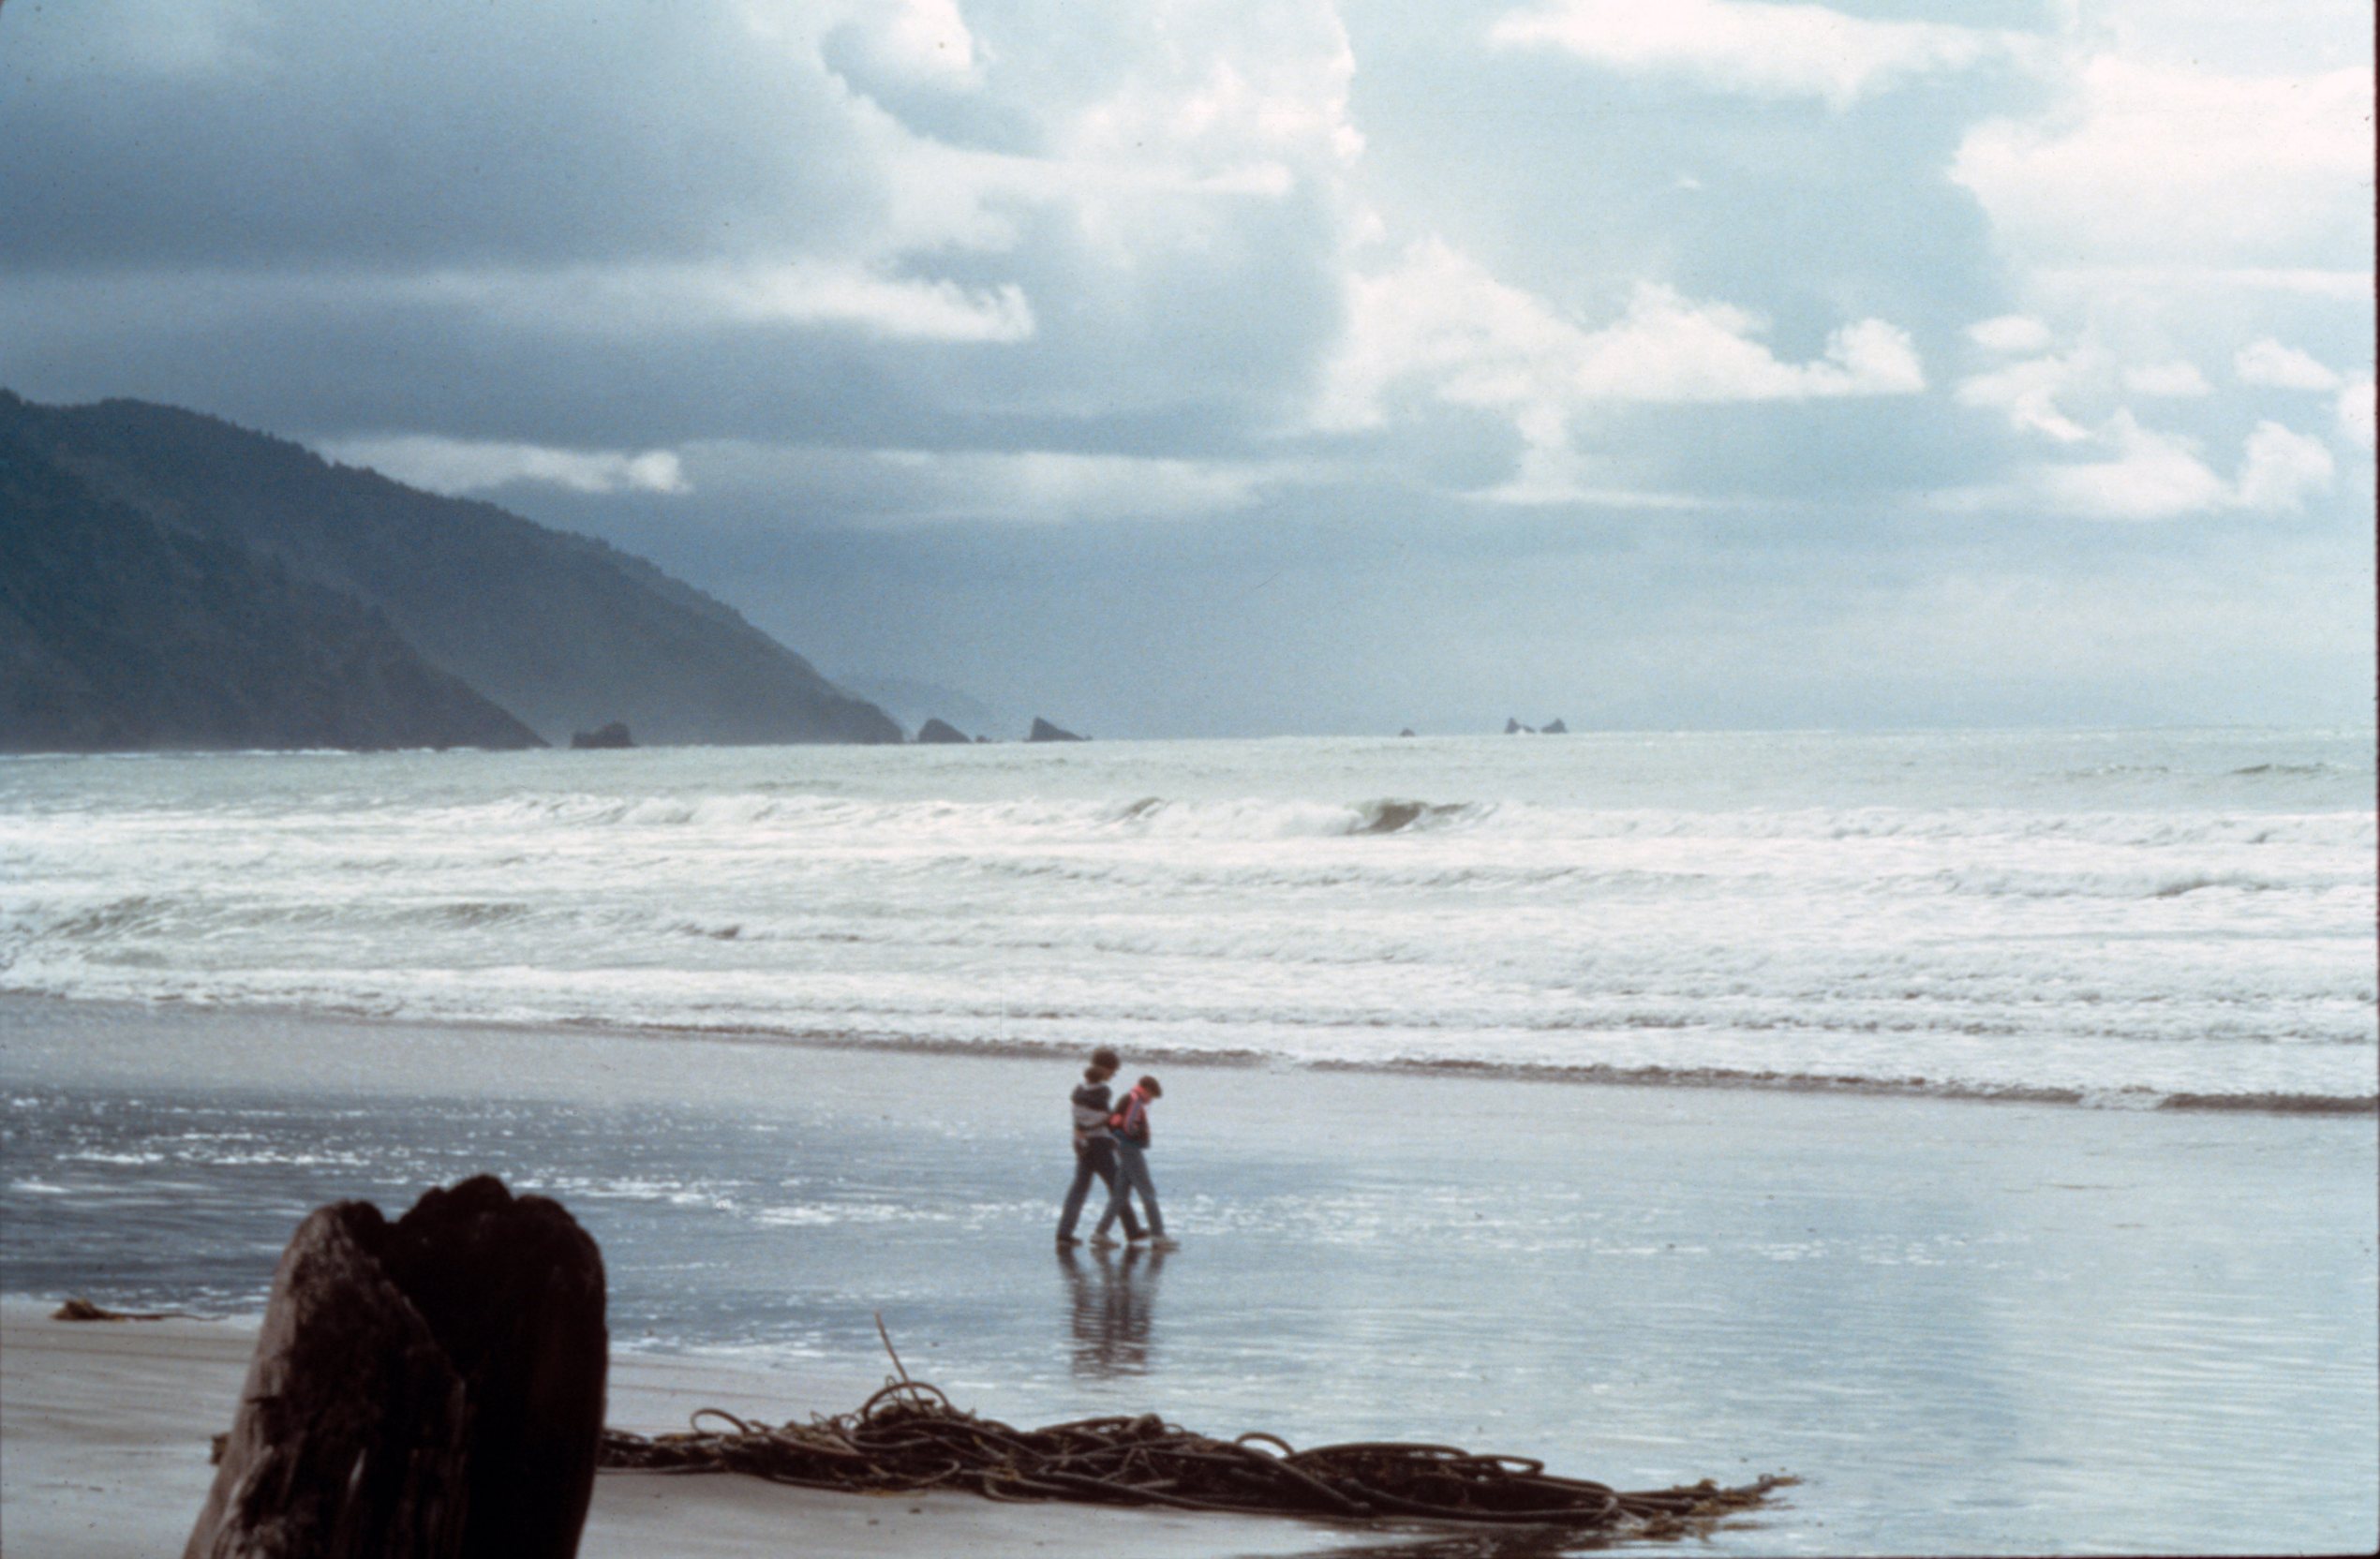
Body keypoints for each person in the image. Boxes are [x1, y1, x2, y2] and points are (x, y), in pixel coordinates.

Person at [1056, 1048, 1142, 1245]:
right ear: (1104, 1069)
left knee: (1079, 1189)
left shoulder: (1078, 1090)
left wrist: (1079, 1136)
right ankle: (1132, 1230)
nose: (1113, 1076)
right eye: (1113, 1071)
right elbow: (1105, 1119)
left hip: (1084, 1145)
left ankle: (1064, 1232)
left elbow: (1078, 1120)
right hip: (1100, 1145)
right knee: (1117, 1186)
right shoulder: (1102, 1091)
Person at [1094, 1076, 1174, 1249]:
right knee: (1148, 1192)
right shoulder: (1136, 1101)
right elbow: (1129, 1126)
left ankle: (1100, 1233)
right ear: (1146, 1090)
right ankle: (1158, 1236)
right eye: (1151, 1096)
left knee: (1120, 1195)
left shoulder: (1128, 1098)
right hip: (1131, 1149)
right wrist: (1138, 1134)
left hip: (1121, 1148)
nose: (1150, 1101)